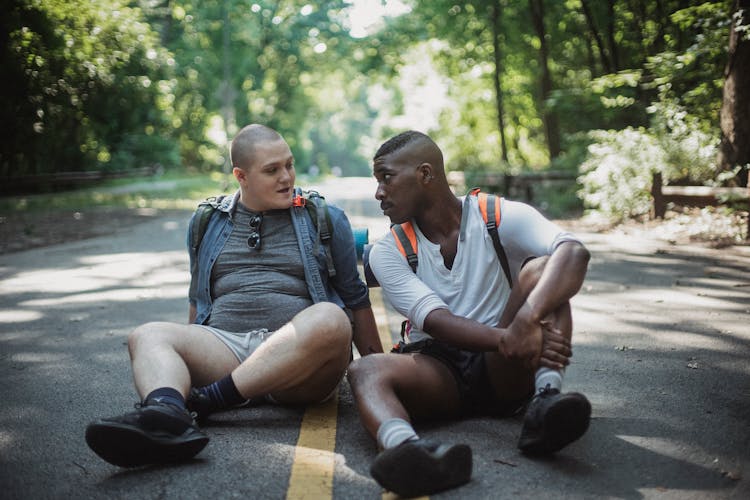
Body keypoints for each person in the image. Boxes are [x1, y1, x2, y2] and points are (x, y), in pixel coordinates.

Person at [85, 124, 382, 468]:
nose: (286, 177)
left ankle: (203, 403)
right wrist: (184, 362)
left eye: (289, 164)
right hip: (225, 350)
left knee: (332, 318)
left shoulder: (323, 218)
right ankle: (166, 416)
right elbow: (198, 302)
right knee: (146, 335)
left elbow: (355, 299)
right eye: (272, 170)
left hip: (299, 367)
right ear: (241, 175)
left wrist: (377, 371)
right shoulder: (206, 221)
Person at [347, 131, 591, 497]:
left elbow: (574, 252)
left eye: (386, 177)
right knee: (363, 370)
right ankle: (408, 452)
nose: (379, 192)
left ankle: (546, 404)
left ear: (425, 175)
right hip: (438, 369)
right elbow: (436, 322)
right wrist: (510, 338)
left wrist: (528, 317)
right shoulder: (386, 251)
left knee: (542, 271)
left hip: (503, 363)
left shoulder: (495, 215)